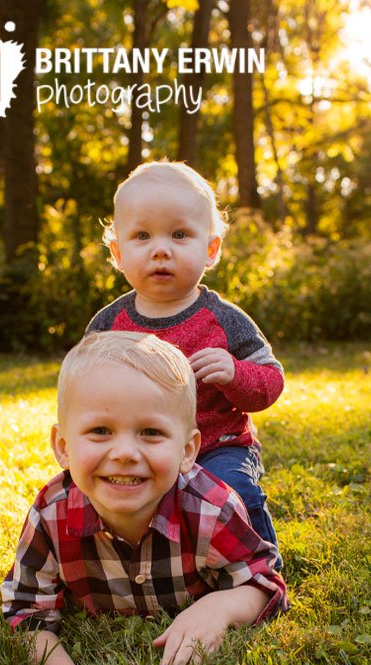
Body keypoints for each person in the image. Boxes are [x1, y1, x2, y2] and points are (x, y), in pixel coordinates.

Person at [0, 331, 288, 665]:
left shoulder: (210, 508)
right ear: (63, 446)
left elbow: (263, 583)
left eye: (151, 432)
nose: (124, 453)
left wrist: (219, 609)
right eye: (101, 430)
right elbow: (26, 609)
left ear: (186, 451)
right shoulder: (51, 512)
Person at [87, 160, 284, 566]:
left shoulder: (224, 320)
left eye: (179, 234)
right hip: (139, 449)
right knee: (91, 494)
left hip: (217, 446)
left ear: (210, 249)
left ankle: (260, 568)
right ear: (118, 253)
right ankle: (114, 565)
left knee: (232, 491)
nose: (161, 249)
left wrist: (234, 373)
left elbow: (270, 382)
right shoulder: (108, 325)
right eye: (142, 236)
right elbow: (81, 391)